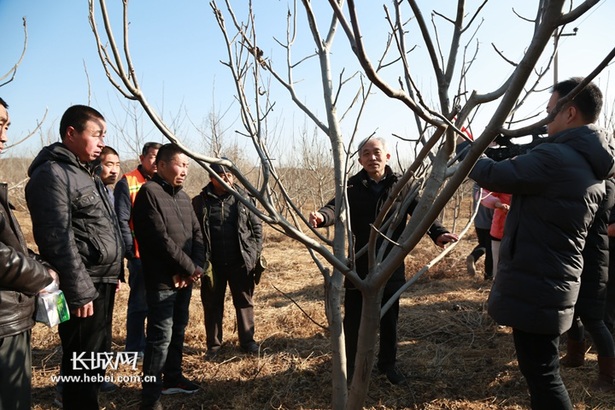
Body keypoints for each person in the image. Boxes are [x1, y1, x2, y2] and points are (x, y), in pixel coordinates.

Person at [466, 78, 615, 409]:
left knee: (544, 375)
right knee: (541, 372)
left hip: (539, 282)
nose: (546, 120)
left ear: (570, 112)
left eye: (550, 112)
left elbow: (494, 174)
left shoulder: (558, 157)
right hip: (552, 277)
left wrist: (464, 149)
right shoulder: (587, 159)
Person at [309, 136, 458, 384]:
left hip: (391, 262)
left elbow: (422, 211)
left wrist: (438, 233)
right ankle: (351, 368)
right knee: (353, 318)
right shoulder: (352, 187)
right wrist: (321, 217)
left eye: (376, 152)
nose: (372, 157)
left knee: (389, 318)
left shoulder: (403, 185)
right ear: (359, 160)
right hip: (359, 263)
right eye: (365, 153)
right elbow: (334, 208)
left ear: (387, 156)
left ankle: (388, 365)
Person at [26, 105, 124, 410]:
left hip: (101, 279)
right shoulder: (53, 174)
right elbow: (57, 239)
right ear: (71, 133)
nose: (100, 142)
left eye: (103, 135)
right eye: (96, 134)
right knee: (81, 363)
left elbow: (101, 228)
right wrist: (79, 292)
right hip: (83, 284)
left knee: (95, 359)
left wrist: (115, 272)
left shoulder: (86, 173)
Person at [132, 143, 205, 410]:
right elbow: (158, 241)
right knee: (159, 338)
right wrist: (188, 268)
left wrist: (196, 268)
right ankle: (150, 397)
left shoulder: (184, 198)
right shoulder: (148, 194)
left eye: (187, 165)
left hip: (184, 279)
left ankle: (172, 378)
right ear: (160, 165)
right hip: (163, 280)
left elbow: (198, 235)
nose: (184, 170)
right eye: (179, 164)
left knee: (178, 332)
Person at [0, 98, 56, 410]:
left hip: (12, 314)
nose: (5, 136)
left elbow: (12, 247)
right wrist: (42, 275)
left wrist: (37, 262)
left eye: (6, 126)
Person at [192, 162, 263, 358]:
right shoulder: (200, 201)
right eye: (221, 175)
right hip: (212, 264)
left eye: (229, 175)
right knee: (212, 304)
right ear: (211, 178)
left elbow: (256, 229)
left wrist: (254, 254)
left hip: (240, 261)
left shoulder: (245, 199)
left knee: (244, 302)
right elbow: (195, 232)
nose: (227, 179)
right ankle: (213, 346)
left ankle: (247, 342)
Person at [560, 178, 615, 391]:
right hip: (578, 255)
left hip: (595, 259)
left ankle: (608, 377)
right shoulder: (588, 180)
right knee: (571, 309)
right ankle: (575, 355)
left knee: (594, 318)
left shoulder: (605, 186)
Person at [114, 142, 161, 357]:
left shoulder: (162, 182)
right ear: (142, 158)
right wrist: (130, 251)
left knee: (158, 305)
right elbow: (121, 220)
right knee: (139, 304)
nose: (155, 162)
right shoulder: (128, 182)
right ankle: (134, 348)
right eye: (151, 157)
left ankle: (154, 345)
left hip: (161, 256)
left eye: (159, 158)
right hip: (139, 255)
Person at [480, 190, 511, 279]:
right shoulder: (505, 180)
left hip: (525, 233)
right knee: (498, 269)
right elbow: (482, 194)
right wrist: (498, 204)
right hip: (500, 231)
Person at [466, 183, 494, 279]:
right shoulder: (492, 188)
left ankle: (473, 256)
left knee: (483, 244)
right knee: (490, 250)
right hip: (491, 223)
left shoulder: (476, 186)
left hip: (479, 222)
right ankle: (489, 275)